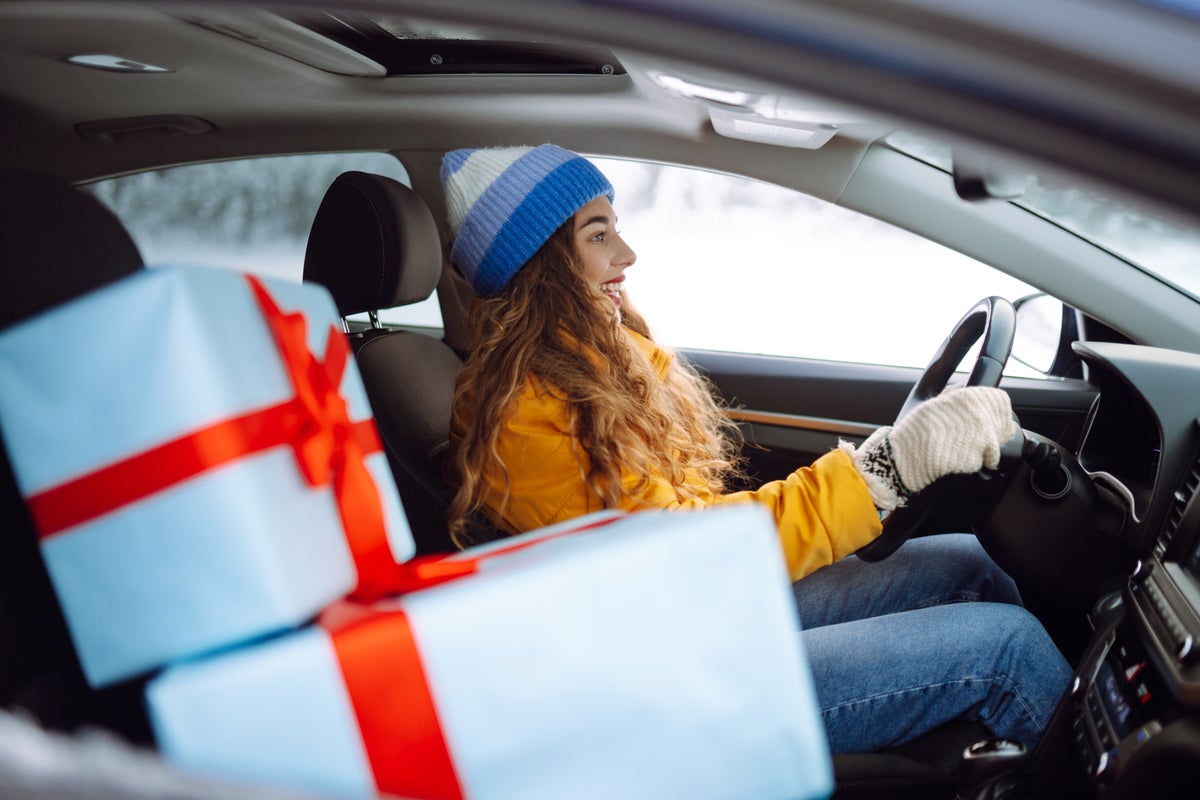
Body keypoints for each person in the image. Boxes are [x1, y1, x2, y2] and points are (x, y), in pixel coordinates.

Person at [439, 143, 1071, 754]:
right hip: (658, 676)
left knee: (968, 563)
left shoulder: (596, 357)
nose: (627, 254)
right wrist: (885, 470)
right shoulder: (521, 413)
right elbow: (686, 552)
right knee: (1004, 650)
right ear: (541, 264)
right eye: (598, 235)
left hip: (690, 614)